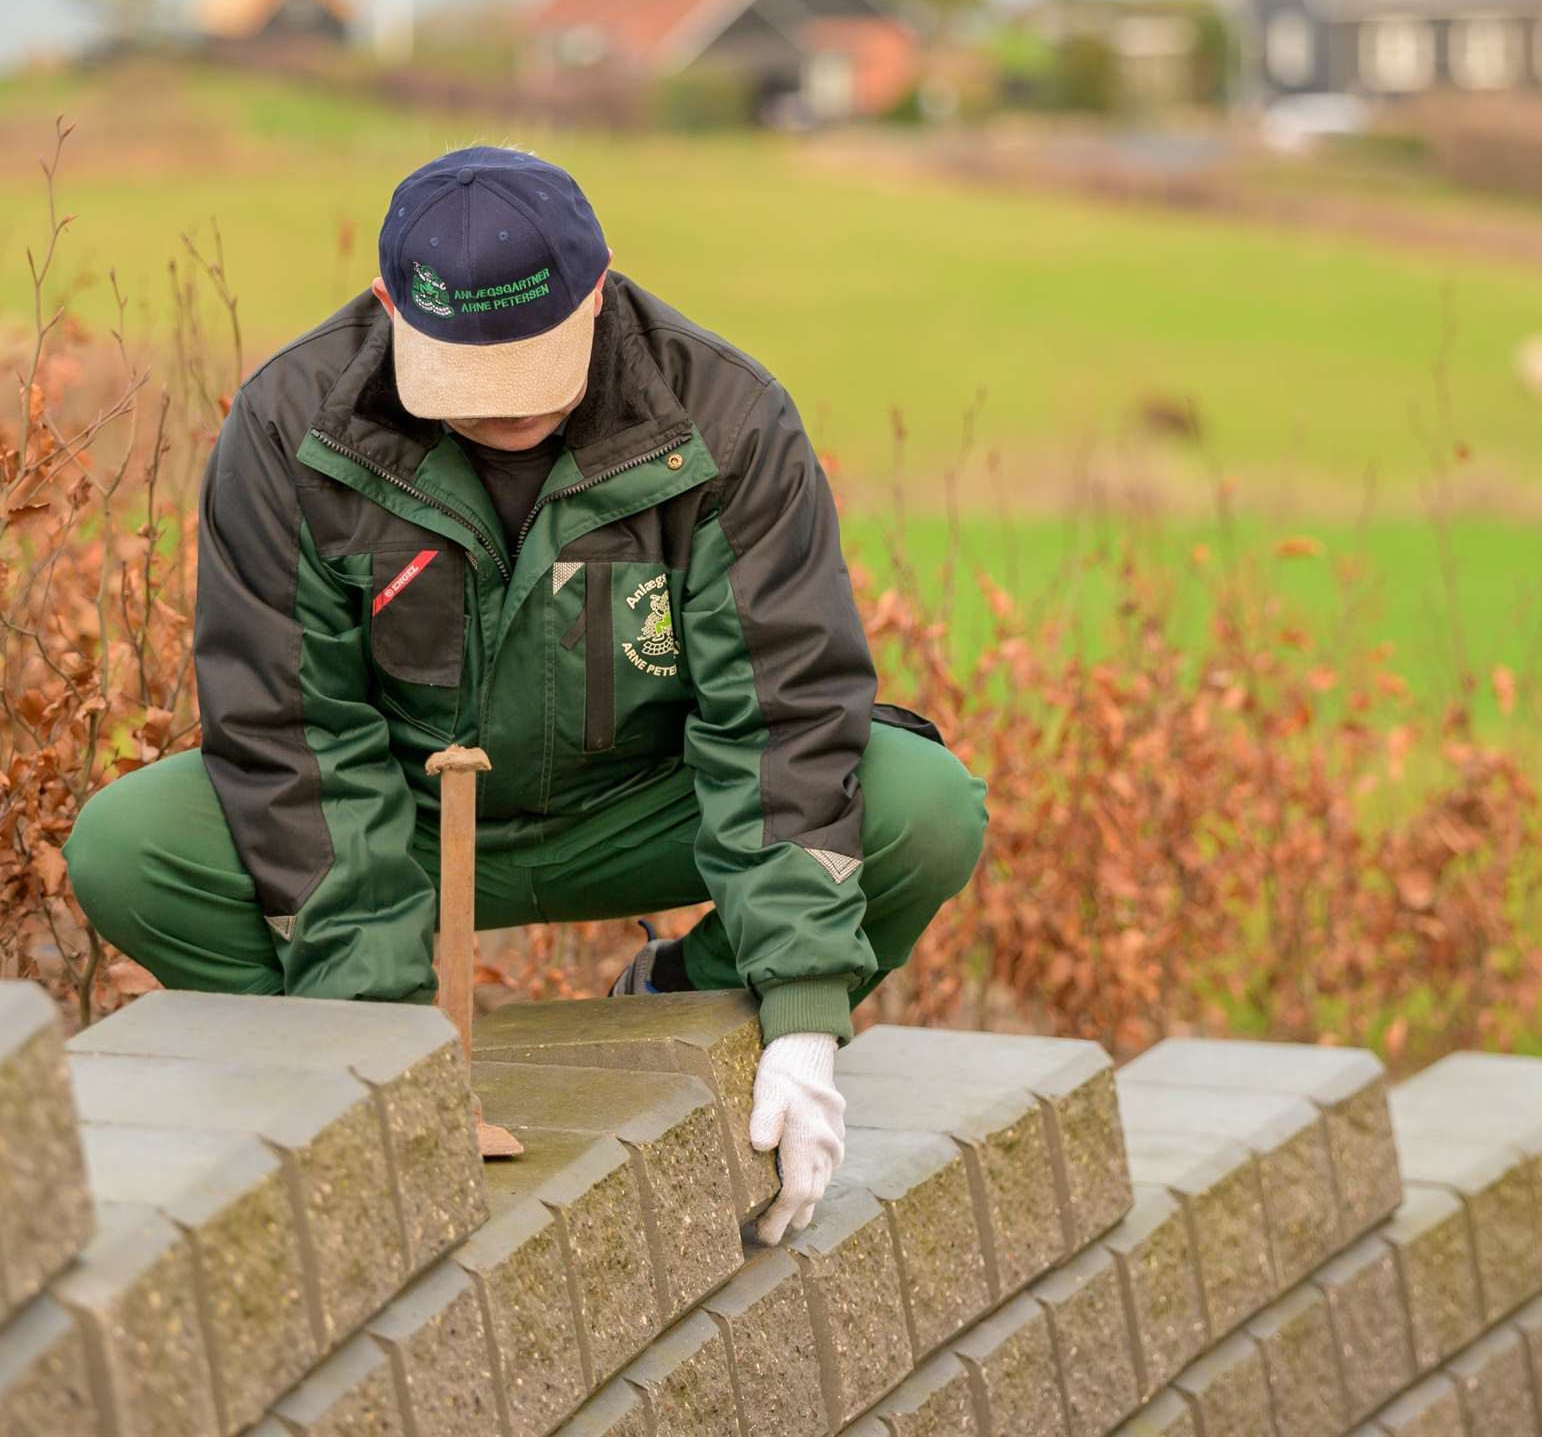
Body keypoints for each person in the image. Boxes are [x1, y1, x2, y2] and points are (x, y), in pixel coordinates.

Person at [65, 145, 987, 1244]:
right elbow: (294, 740)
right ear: (386, 307)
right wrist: (385, 1051)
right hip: (407, 821)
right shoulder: (287, 431)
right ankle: (333, 1056)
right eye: (466, 378)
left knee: (921, 806)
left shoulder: (726, 420)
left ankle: (681, 998)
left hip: (649, 806)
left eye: (530, 369)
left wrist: (799, 1018)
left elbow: (781, 719)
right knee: (129, 846)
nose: (503, 411)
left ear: (597, 291)